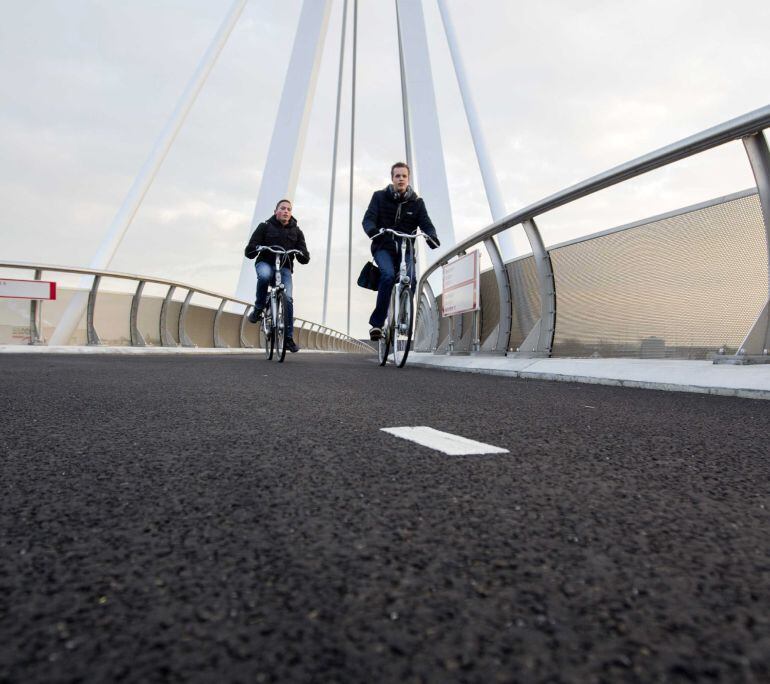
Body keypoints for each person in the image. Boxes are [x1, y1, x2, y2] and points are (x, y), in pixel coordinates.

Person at [362, 162, 440, 340]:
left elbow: (426, 223)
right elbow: (368, 219)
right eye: (397, 176)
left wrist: (432, 236)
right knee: (388, 276)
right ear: (392, 178)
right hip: (384, 246)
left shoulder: (417, 203)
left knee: (411, 280)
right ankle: (377, 324)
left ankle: (404, 319)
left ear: (408, 178)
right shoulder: (379, 197)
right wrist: (373, 231)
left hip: (407, 249)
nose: (401, 179)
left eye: (404, 176)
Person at [244, 199, 310, 353]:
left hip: (285, 267)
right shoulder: (264, 227)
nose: (286, 211)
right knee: (265, 276)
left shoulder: (297, 231)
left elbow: (304, 255)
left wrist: (302, 254)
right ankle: (259, 308)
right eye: (282, 208)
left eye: (289, 209)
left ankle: (288, 339)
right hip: (265, 263)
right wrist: (256, 247)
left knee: (288, 298)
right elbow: (250, 249)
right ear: (276, 211)